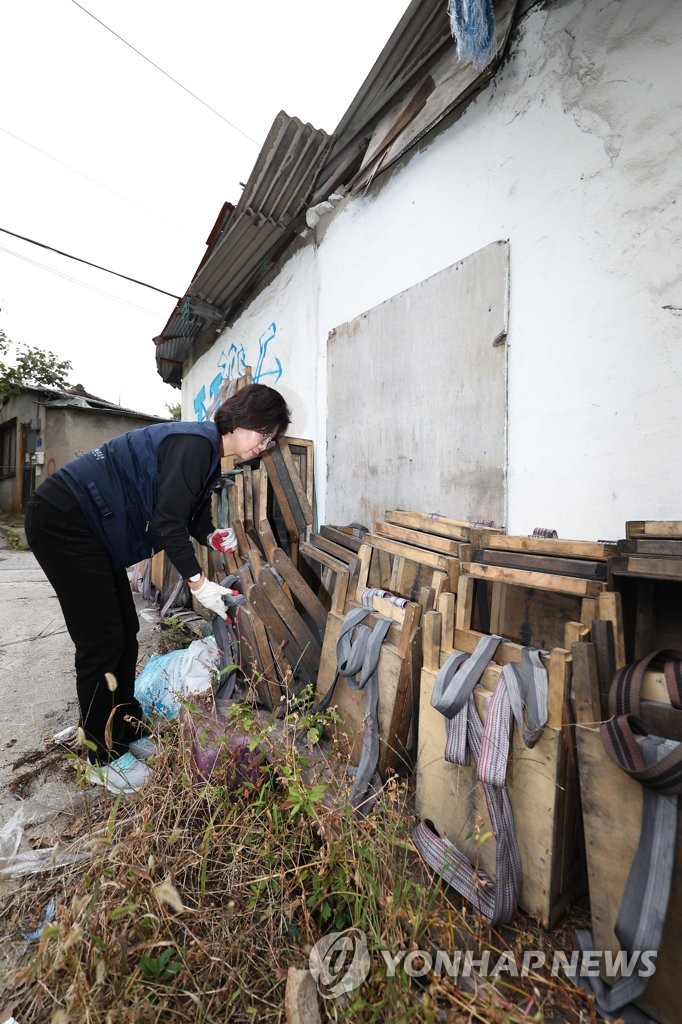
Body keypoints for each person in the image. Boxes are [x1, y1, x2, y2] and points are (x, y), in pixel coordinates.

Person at [24, 382, 291, 795]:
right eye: (266, 434)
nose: (266, 445)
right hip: (66, 521)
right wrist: (199, 584)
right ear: (240, 421)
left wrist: (211, 536)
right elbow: (168, 524)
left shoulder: (206, 455)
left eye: (272, 439)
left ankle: (125, 727)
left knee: (124, 630)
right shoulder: (195, 445)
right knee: (101, 640)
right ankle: (99, 754)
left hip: (90, 531)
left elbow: (187, 517)